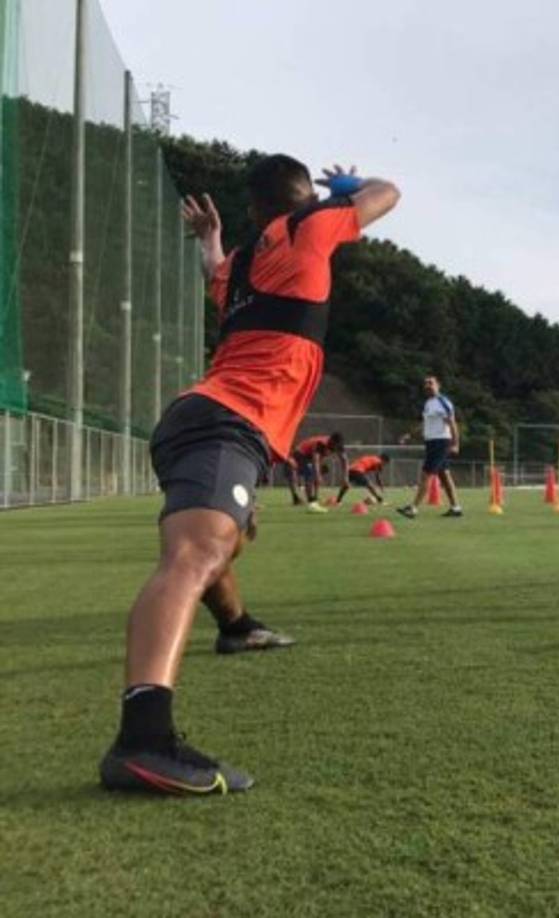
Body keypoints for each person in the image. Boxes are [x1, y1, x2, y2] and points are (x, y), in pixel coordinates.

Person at [99, 156, 400, 795]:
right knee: (197, 551)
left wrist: (210, 240)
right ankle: (143, 737)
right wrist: (342, 188)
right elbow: (388, 192)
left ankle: (237, 628)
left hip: (212, 416)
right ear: (300, 201)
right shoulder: (307, 228)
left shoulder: (239, 266)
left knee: (226, 540)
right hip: (227, 419)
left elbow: (215, 272)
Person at [397, 376, 462, 518]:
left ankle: (413, 508)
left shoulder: (443, 402)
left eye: (431, 383)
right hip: (431, 442)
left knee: (426, 474)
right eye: (426, 383)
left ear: (438, 385)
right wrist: (409, 434)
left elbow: (452, 423)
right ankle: (456, 508)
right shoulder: (428, 403)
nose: (428, 385)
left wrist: (456, 444)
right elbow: (424, 423)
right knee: (444, 475)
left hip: (441, 442)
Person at [289, 432, 346, 511]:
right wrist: (318, 475)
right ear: (331, 441)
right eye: (334, 446)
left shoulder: (339, 446)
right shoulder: (321, 444)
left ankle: (315, 497)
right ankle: (311, 503)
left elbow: (344, 460)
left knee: (321, 470)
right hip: (301, 453)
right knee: (310, 474)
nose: (335, 449)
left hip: (311, 457)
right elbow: (315, 460)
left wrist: (346, 477)